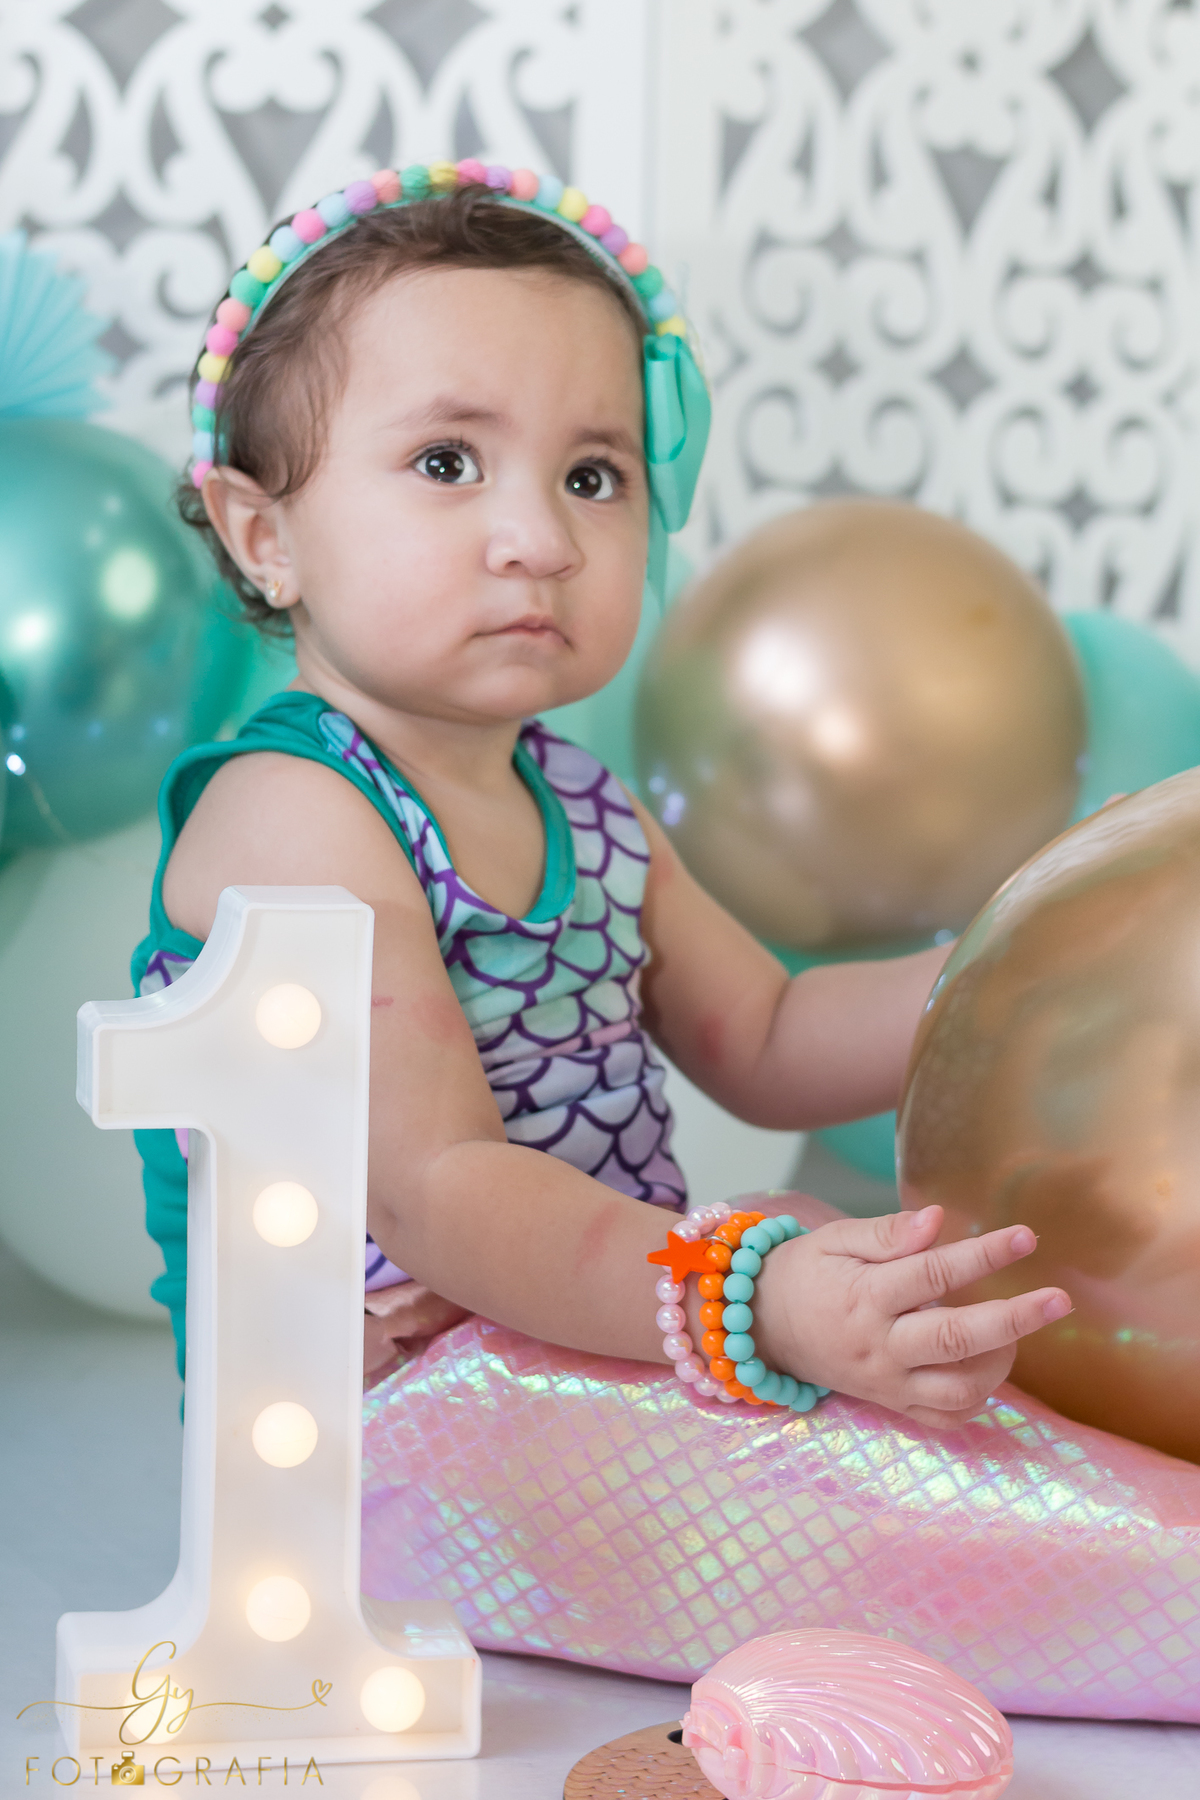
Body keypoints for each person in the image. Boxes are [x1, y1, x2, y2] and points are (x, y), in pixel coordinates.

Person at [134, 162, 1070, 1426]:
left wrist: (1006, 975)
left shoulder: (581, 802)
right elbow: (440, 1187)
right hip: (378, 1414)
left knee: (858, 1253)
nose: (544, 539)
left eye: (593, 476)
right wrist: (752, 1297)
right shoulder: (297, 813)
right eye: (448, 461)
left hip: (592, 1333)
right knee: (811, 1282)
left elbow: (774, 1037)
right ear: (265, 538)